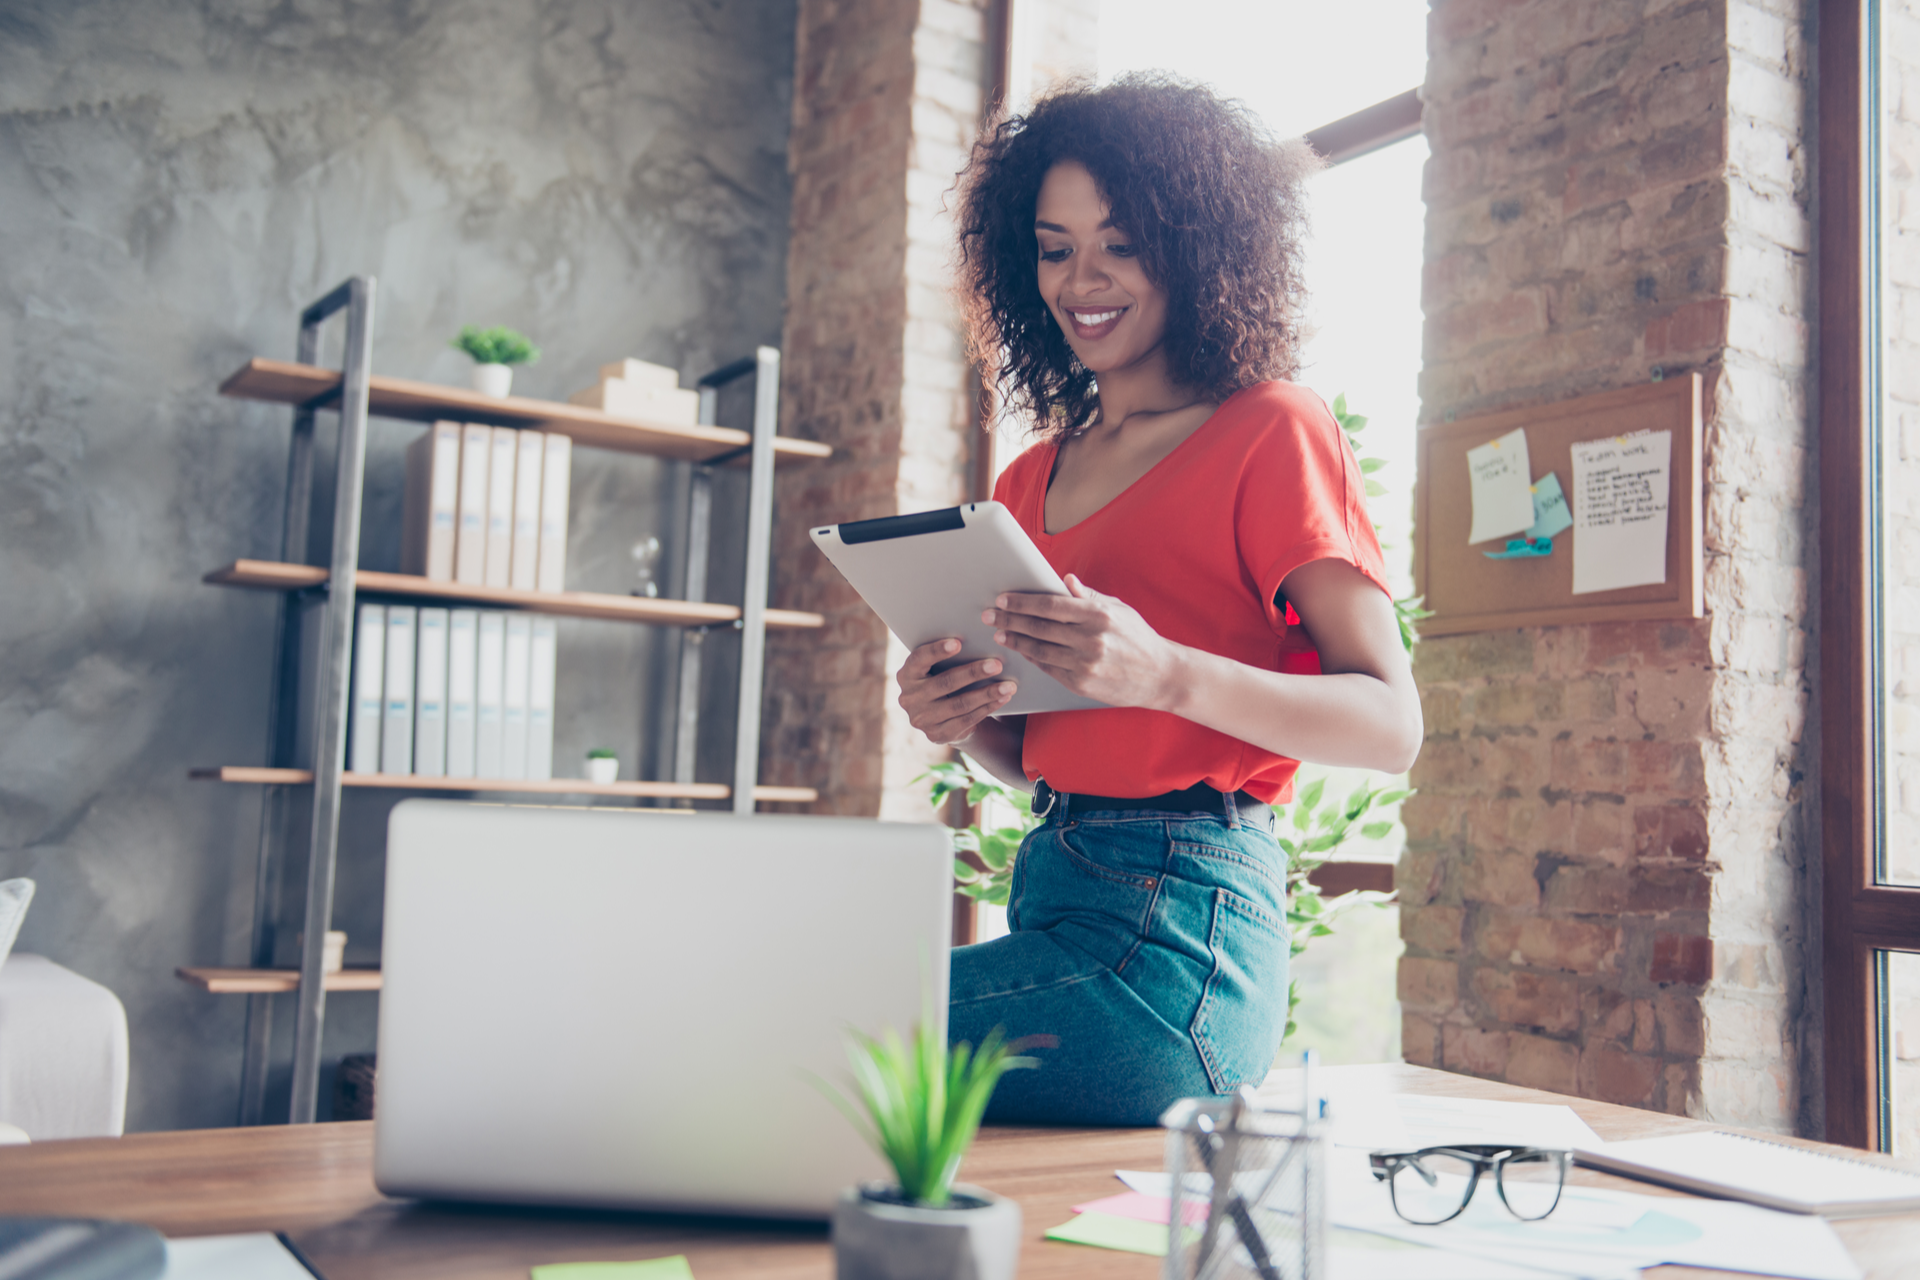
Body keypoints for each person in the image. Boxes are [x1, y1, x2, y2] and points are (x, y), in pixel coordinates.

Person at [896, 75, 1424, 1126]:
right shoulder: (1023, 487)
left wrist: (1165, 669)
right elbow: (1045, 750)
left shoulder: (1271, 430)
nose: (1082, 279)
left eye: (1122, 243)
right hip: (1055, 894)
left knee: (812, 1021)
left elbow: (1391, 725)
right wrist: (962, 721)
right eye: (1054, 248)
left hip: (1182, 941)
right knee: (812, 1033)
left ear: (1196, 246)